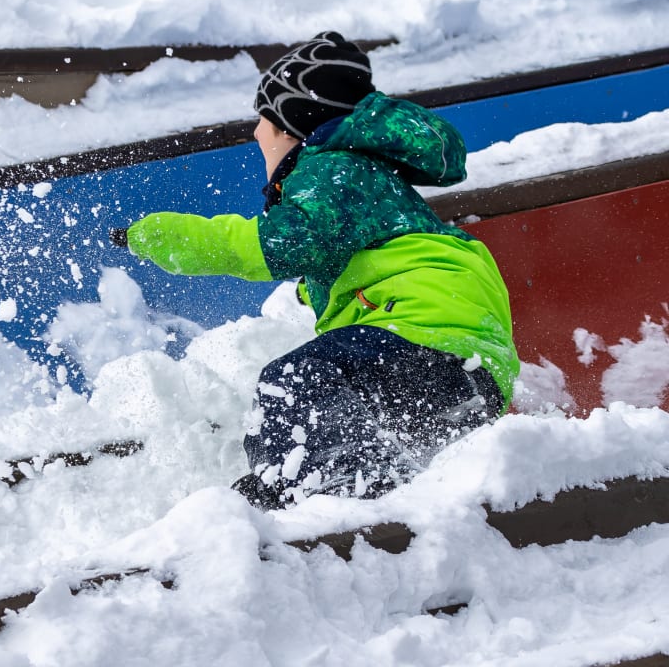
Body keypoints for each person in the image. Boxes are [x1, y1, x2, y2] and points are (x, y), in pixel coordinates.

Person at [110, 31, 519, 509]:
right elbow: (352, 258)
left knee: (296, 380)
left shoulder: (330, 168)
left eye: (262, 122)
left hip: (425, 340)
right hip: (467, 370)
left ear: (291, 125)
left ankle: (326, 488)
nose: (256, 134)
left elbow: (281, 243)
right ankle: (310, 485)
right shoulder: (365, 177)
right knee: (320, 391)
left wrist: (163, 235)